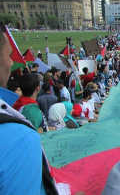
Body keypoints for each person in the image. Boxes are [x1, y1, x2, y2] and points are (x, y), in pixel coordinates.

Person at [0, 22, 58, 194]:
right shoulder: (19, 136)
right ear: (37, 89)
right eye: (8, 55)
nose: (11, 62)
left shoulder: (16, 108)